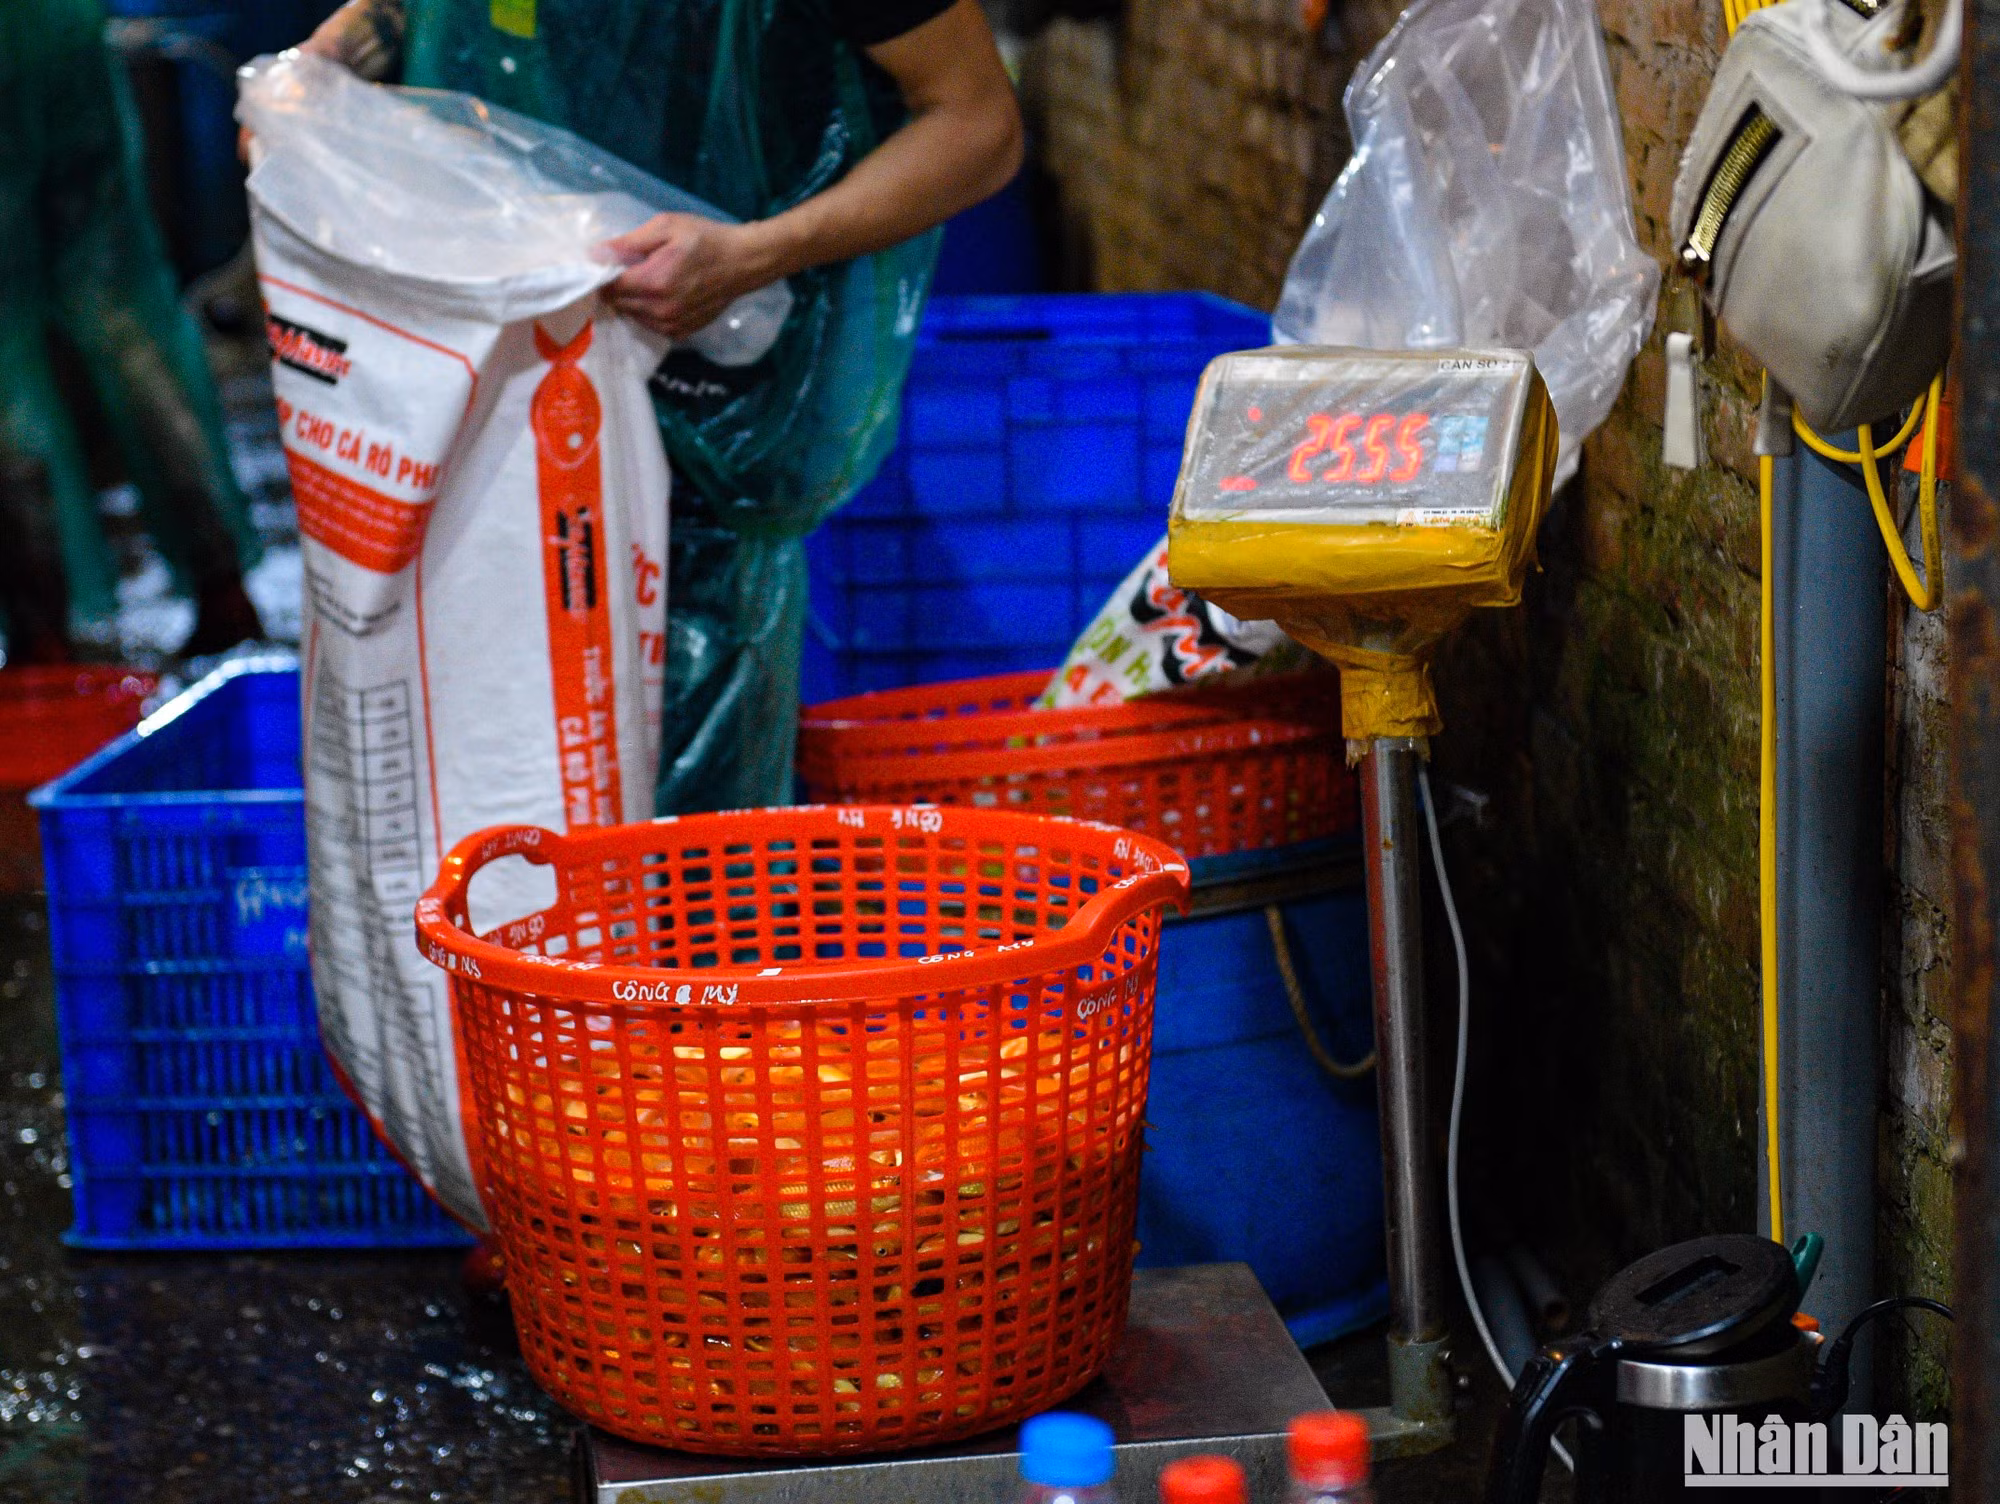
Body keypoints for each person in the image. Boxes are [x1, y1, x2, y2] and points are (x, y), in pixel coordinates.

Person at [277, 0, 1023, 810]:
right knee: (479, 766)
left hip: (710, 375)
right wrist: (332, 62)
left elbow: (977, 123)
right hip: (488, 365)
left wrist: (753, 257)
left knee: (682, 797)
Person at [0, 0, 266, 662]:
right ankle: (221, 584)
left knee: (4, 353)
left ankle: (42, 634)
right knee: (123, 310)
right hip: (61, 37)